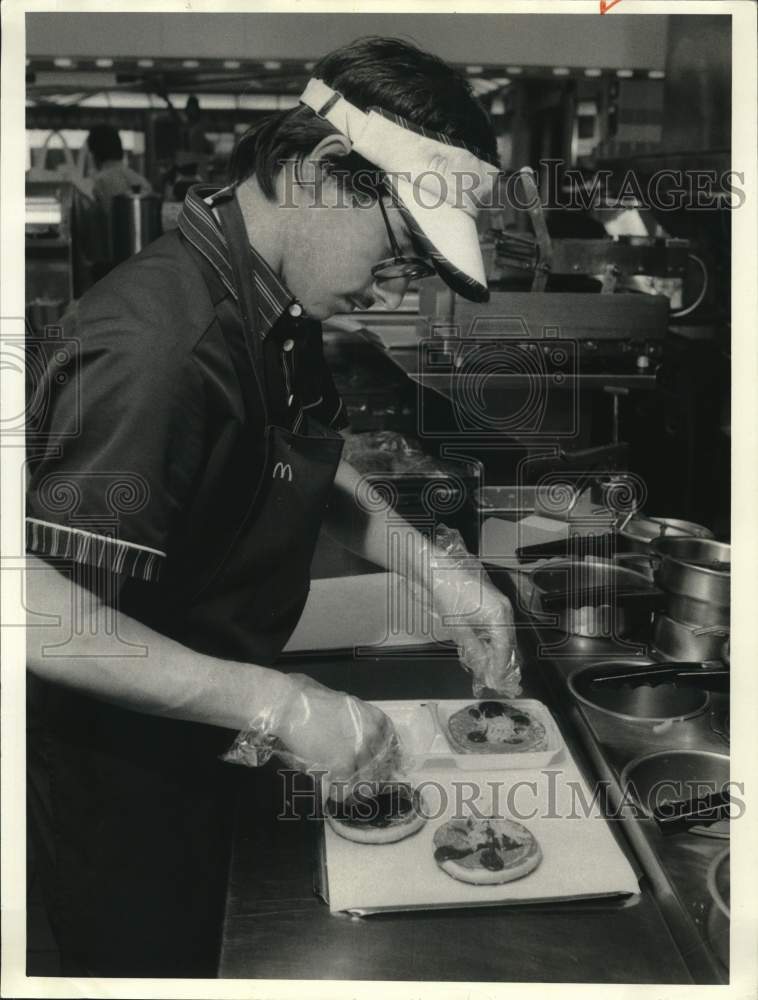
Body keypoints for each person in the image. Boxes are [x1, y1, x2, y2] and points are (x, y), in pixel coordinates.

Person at [25, 37, 518, 977]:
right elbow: (37, 618)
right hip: (127, 782)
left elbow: (305, 459)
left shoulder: (270, 302)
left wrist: (439, 570)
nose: (386, 290)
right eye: (397, 251)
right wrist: (278, 704)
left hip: (210, 740)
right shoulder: (159, 346)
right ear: (321, 173)